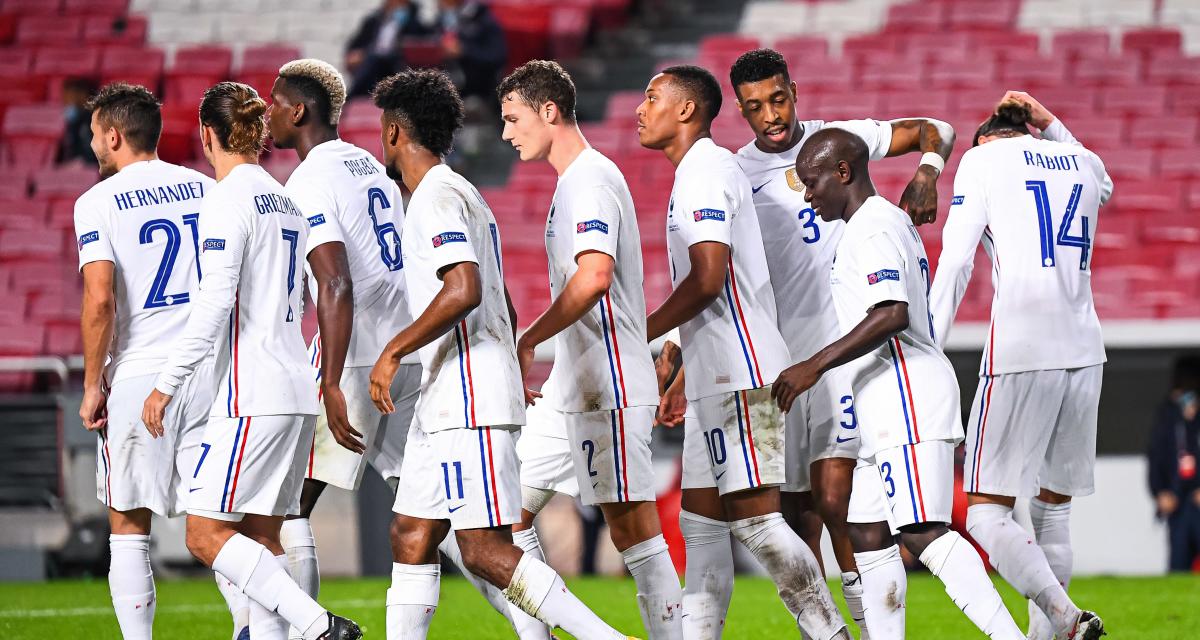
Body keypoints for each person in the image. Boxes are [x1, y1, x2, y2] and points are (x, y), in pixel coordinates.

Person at [366, 68, 631, 640]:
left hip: (466, 397)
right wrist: (511, 363)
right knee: (411, 533)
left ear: (393, 133)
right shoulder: (463, 192)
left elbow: (466, 287)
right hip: (448, 395)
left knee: (484, 547)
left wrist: (394, 349)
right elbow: (504, 301)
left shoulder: (436, 194)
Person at [728, 47, 956, 638]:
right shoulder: (733, 173)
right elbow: (712, 265)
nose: (771, 115)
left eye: (778, 99)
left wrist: (928, 169)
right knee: (793, 515)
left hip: (840, 357)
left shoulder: (840, 141)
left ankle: (869, 626)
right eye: (755, 107)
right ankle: (824, 631)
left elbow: (938, 129)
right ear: (741, 110)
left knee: (840, 505)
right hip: (778, 362)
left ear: (794, 91)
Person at [773, 127, 1024, 639]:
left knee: (923, 531)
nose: (808, 194)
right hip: (880, 399)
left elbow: (890, 313)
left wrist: (812, 366)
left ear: (843, 173)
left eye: (812, 181)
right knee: (865, 531)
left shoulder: (873, 227)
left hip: (905, 388)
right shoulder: (874, 224)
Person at [141, 81, 362, 640]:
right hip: (295, 390)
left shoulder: (227, 200)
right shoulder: (284, 198)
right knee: (263, 539)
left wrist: (165, 385)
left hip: (250, 395)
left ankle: (318, 625)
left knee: (204, 533)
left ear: (206, 134)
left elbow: (216, 302)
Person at [638, 64, 849, 640]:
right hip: (717, 375)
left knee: (758, 525)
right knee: (701, 528)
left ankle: (833, 634)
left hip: (745, 372)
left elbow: (709, 279)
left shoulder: (707, 170)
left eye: (652, 98)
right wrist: (685, 374)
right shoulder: (698, 173)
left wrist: (639, 333)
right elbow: (723, 291)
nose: (639, 109)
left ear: (686, 110)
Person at [498, 59, 684, 639]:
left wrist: (530, 337)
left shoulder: (590, 179)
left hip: (607, 386)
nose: (505, 133)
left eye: (513, 118)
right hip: (573, 386)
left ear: (548, 112)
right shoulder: (574, 180)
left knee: (635, 535)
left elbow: (595, 275)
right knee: (501, 519)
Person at [929, 92, 1111, 640]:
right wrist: (1049, 118)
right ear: (1031, 130)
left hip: (1021, 352)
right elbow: (1103, 184)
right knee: (1053, 511)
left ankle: (1063, 616)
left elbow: (958, 259)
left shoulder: (981, 160)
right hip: (1085, 349)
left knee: (985, 514)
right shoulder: (1083, 161)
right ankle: (1054, 635)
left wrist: (928, 350)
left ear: (987, 138)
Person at [74, 82, 215, 640]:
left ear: (113, 135)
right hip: (210, 373)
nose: (91, 147)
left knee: (128, 526)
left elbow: (100, 298)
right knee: (223, 525)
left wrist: (91, 384)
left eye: (93, 136)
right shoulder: (206, 188)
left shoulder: (97, 201)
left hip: (139, 374)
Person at [1148, 355, 1200, 572]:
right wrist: (1160, 492)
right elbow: (1155, 455)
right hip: (1176, 498)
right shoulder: (1167, 413)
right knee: (1178, 562)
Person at [344, 0, 434, 98]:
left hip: (396, 66)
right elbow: (356, 44)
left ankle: (350, 98)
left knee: (374, 60)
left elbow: (417, 47)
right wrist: (355, 54)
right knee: (373, 62)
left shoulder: (415, 25)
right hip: (371, 65)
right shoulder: (373, 21)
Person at [439, 0, 507, 107]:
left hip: (476, 90)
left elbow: (497, 56)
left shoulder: (485, 20)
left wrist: (464, 51)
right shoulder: (439, 18)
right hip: (446, 85)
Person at [60, 77, 98, 165]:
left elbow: (92, 155)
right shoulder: (72, 121)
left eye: (72, 96)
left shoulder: (92, 121)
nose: (66, 100)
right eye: (65, 96)